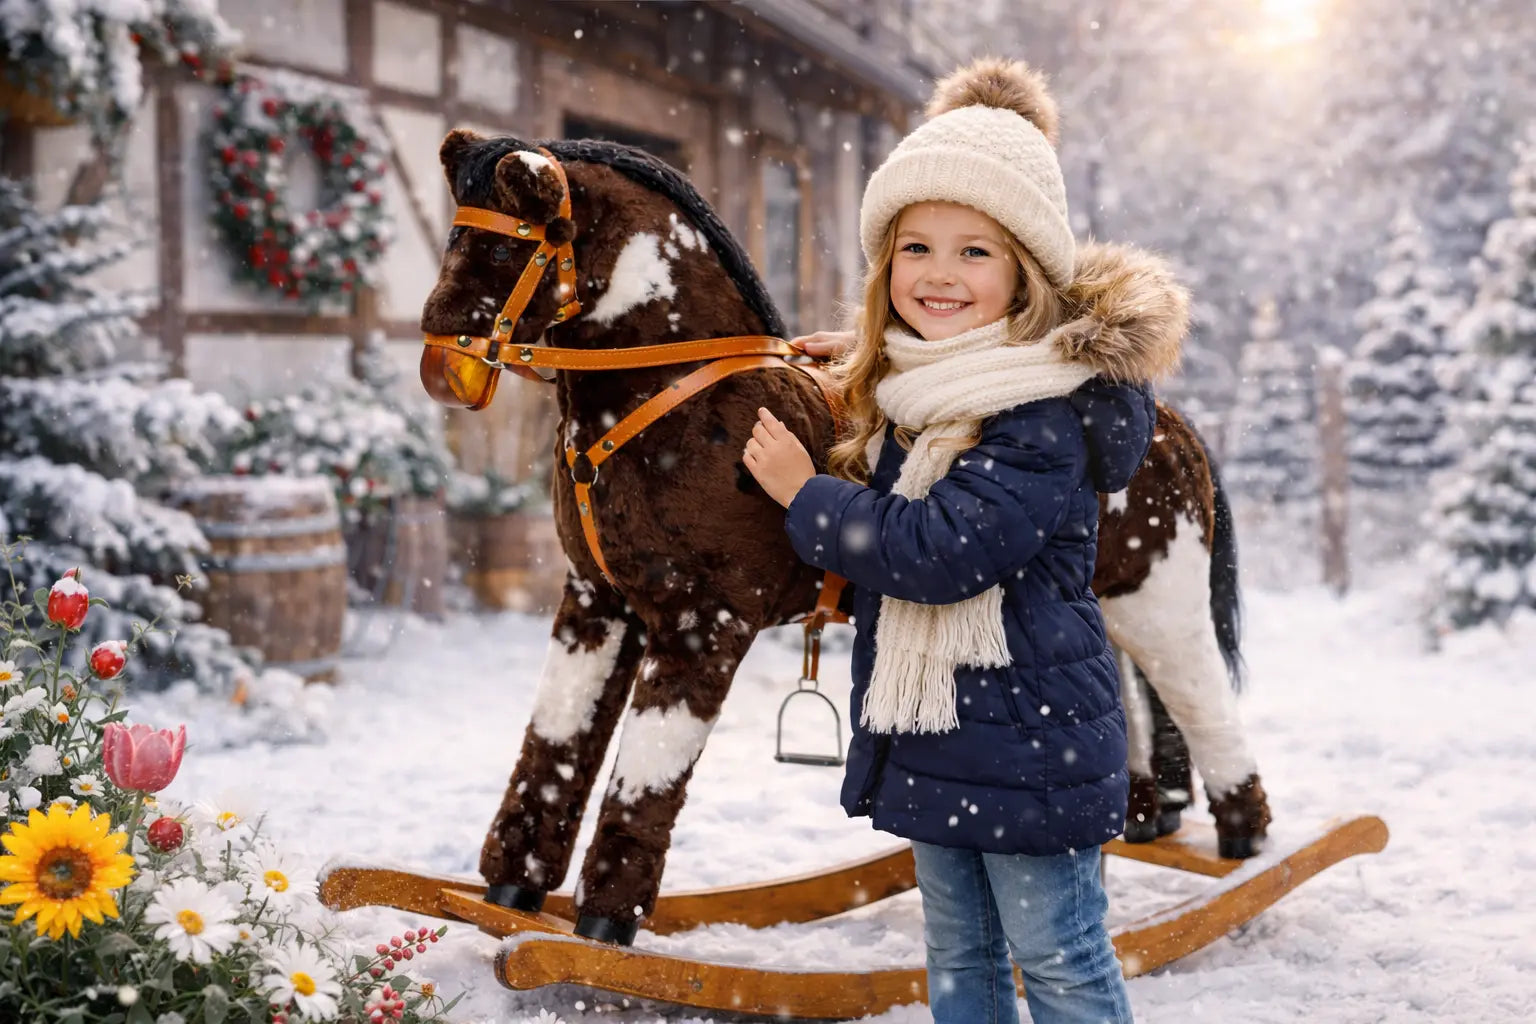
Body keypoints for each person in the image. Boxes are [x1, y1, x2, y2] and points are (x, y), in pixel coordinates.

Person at [743, 57, 1188, 1024]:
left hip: (1029, 739)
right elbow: (902, 430)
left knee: (1058, 956)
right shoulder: (924, 386)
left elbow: (940, 550)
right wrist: (858, 369)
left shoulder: (1039, 408)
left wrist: (804, 495)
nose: (939, 275)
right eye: (916, 249)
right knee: (961, 959)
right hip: (941, 732)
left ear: (1028, 273)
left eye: (975, 253)